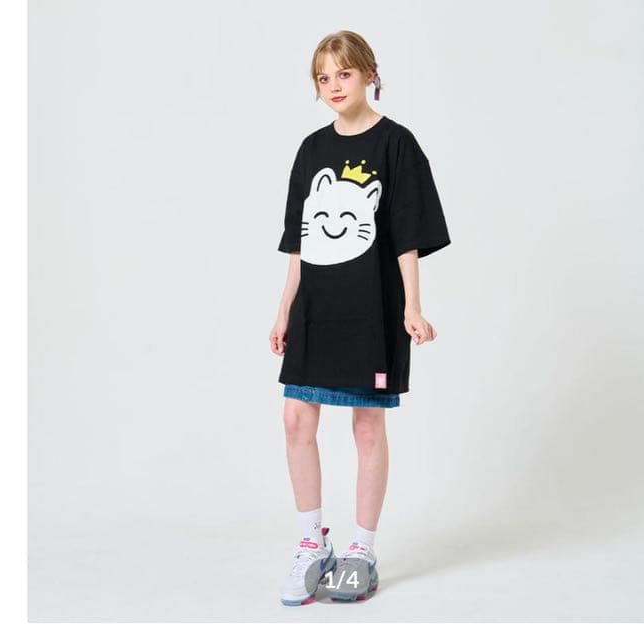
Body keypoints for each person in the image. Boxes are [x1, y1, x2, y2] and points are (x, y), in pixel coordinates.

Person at [269, 30, 451, 606]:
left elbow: (407, 236)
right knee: (296, 419)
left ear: (369, 74)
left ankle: (361, 551)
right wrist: (284, 309)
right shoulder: (310, 150)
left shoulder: (398, 144)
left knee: (367, 426)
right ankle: (311, 543)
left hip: (372, 311)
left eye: (343, 73)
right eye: (323, 77)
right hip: (315, 310)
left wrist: (412, 307)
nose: (333, 86)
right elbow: (300, 242)